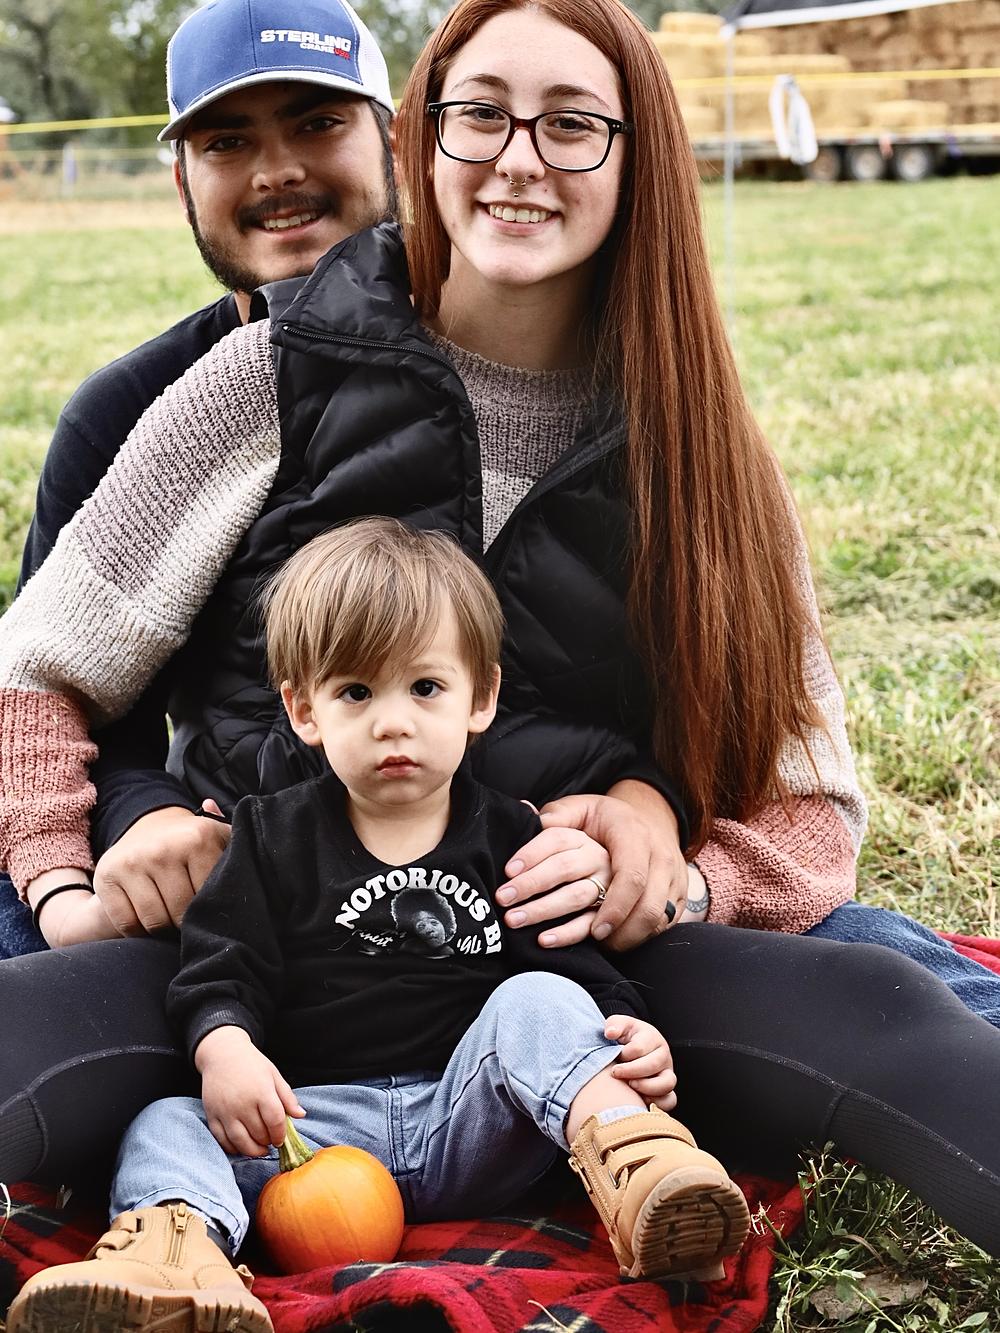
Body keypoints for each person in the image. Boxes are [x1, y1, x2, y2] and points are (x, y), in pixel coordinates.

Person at [3, 0, 1000, 1264]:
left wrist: (676, 875)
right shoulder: (267, 376)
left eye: (573, 125)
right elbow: (35, 669)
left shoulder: (699, 445)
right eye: (481, 114)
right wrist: (62, 879)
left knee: (883, 992)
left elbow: (810, 801)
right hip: (243, 967)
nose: (520, 158)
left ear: (639, 161)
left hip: (570, 983)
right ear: (423, 137)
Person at [6, 520, 752, 1332]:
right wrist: (226, 1049)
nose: (392, 722)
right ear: (304, 709)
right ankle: (176, 1261)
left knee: (536, 996)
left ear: (480, 698)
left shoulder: (512, 833)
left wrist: (626, 1032)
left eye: (424, 688)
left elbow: (574, 968)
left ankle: (643, 1166)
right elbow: (219, 963)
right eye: (357, 693)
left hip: (471, 1117)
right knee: (166, 1122)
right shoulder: (269, 835)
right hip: (313, 1129)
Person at [0, 0, 396, 957]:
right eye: (227, 142)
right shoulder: (127, 410)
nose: (277, 171)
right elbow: (67, 697)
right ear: (183, 181)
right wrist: (143, 818)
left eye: (317, 122)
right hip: (220, 882)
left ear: (396, 142)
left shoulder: (497, 368)